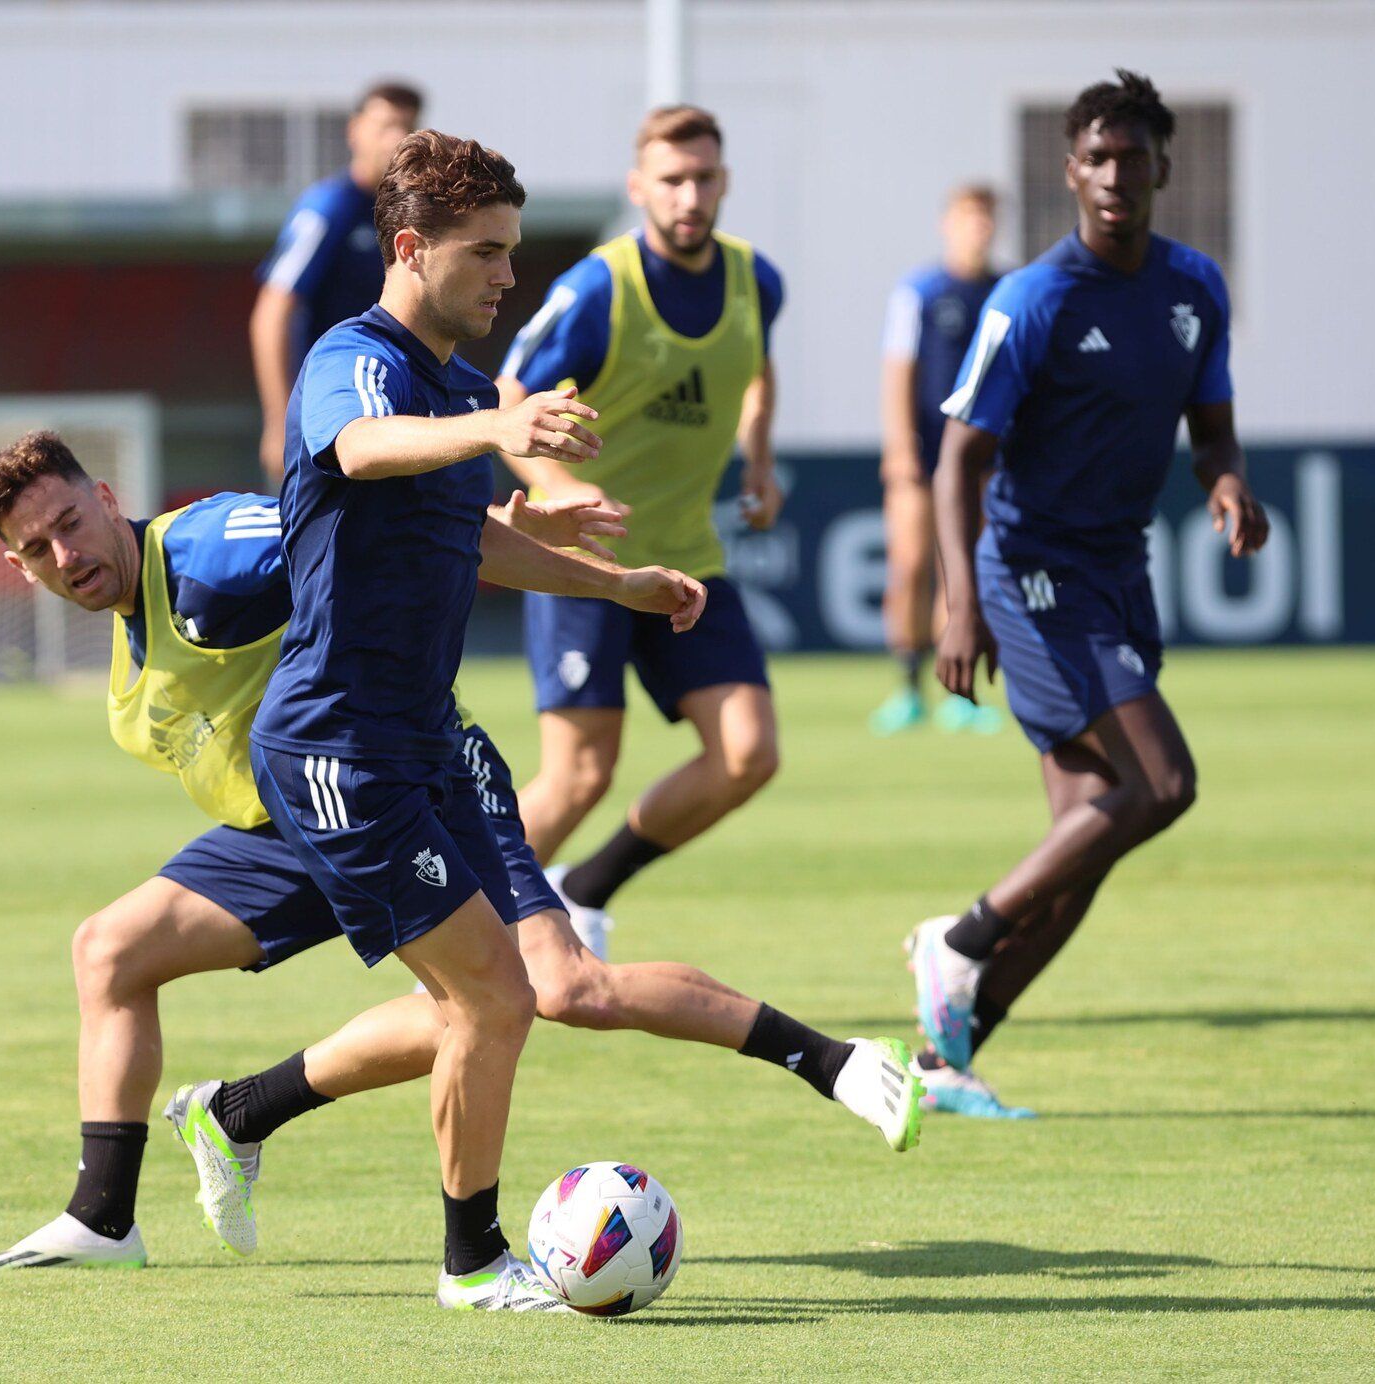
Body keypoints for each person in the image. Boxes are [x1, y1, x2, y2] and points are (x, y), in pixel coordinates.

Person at [247, 128, 920, 1308]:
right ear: (409, 248)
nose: (509, 277)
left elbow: (474, 536)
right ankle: (468, 1264)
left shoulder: (458, 385)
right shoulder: (356, 362)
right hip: (338, 746)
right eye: (486, 254)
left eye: (513, 252)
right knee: (493, 995)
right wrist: (495, 431)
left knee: (537, 985)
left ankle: (242, 1109)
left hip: (436, 743)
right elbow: (360, 449)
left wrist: (618, 583)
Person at [906, 70, 1269, 1119]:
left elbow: (1210, 429)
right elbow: (955, 458)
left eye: (1132, 157)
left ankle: (944, 1058)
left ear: (1162, 166)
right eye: (1094, 158)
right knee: (1162, 783)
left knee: (1083, 849)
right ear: (1069, 172)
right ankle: (959, 936)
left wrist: (1229, 481)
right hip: (1030, 574)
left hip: (1118, 570)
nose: (1114, 175)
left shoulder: (1193, 288)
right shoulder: (1032, 300)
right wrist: (956, 603)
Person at [495, 105, 783, 958]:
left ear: (724, 181)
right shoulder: (597, 290)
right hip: (583, 563)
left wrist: (758, 462)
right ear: (638, 188)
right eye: (672, 179)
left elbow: (757, 373)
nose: (690, 195)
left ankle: (585, 890)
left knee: (748, 754)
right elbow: (507, 401)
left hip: (688, 559)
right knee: (580, 774)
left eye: (704, 177)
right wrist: (558, 484)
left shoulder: (756, 281)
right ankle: (458, 940)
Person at [873, 184, 1004, 738]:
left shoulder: (1005, 290)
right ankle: (907, 690)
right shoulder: (920, 291)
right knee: (909, 568)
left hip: (978, 456)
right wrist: (900, 445)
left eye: (986, 218)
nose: (977, 228)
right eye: (967, 217)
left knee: (963, 572)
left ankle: (960, 693)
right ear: (947, 224)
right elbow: (899, 368)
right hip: (923, 453)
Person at [249, 81, 423, 481]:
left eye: (406, 127)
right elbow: (272, 312)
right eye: (384, 126)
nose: (395, 139)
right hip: (332, 414)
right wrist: (279, 422)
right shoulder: (330, 207)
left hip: (392, 410)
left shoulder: (409, 212)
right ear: (354, 130)